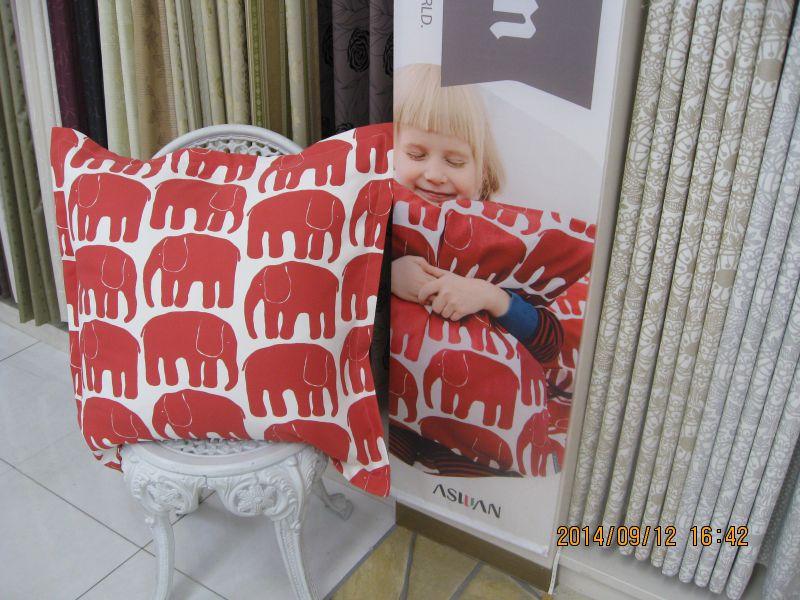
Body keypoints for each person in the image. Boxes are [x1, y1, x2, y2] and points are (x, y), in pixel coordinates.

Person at [390, 64, 562, 362]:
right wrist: (386, 277)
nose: (434, 175)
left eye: (455, 162)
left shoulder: (503, 239)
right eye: (416, 155)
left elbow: (550, 346)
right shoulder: (374, 222)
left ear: (482, 171)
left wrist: (490, 297)